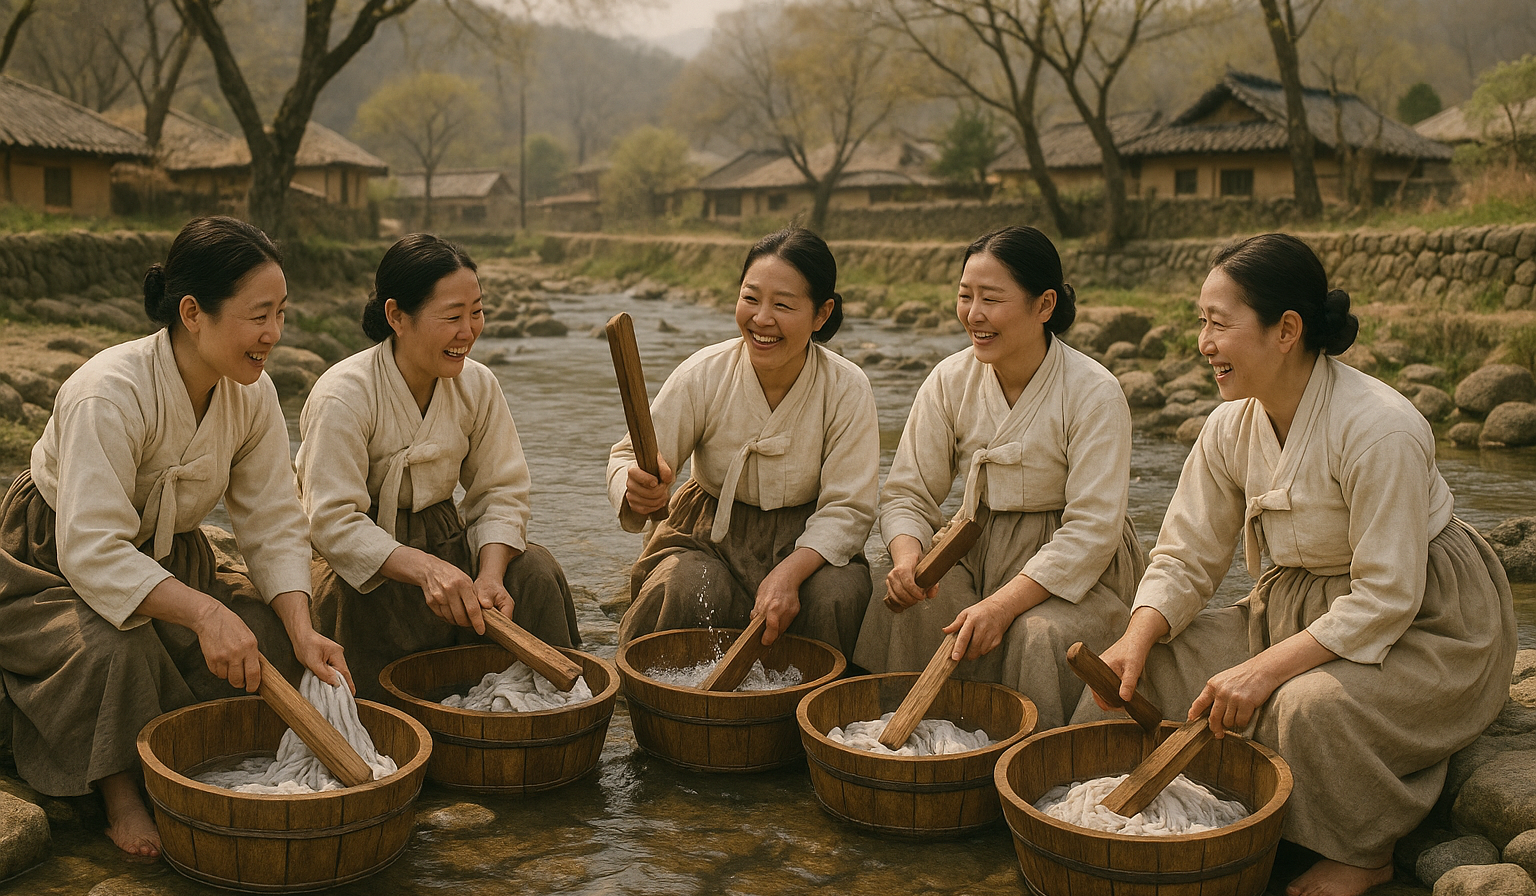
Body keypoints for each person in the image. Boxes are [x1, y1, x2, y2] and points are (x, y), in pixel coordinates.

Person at [1083, 233, 1516, 896]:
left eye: (1219, 324)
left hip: (1427, 625)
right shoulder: (1230, 427)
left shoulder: (1380, 428)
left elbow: (1386, 598)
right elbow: (1186, 554)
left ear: (1287, 330)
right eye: (1202, 321)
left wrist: (1263, 669)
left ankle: (1363, 851)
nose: (1204, 342)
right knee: (1154, 669)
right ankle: (1137, 815)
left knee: (1305, 706)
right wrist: (1135, 642)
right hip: (1297, 607)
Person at [0, 216, 349, 857]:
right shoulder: (107, 393)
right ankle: (118, 790)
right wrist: (204, 612)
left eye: (281, 314)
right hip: (53, 557)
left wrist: (300, 626)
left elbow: (272, 521)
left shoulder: (254, 393)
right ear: (193, 312)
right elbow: (93, 549)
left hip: (171, 558)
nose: (274, 334)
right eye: (259, 316)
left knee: (270, 638)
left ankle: (213, 757)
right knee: (115, 648)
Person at [853, 225, 1145, 728]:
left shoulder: (1094, 391)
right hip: (973, 542)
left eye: (991, 299)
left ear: (1044, 305)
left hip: (1074, 568)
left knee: (1038, 634)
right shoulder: (949, 379)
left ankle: (1028, 765)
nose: (974, 314)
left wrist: (1003, 605)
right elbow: (908, 493)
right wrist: (908, 561)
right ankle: (909, 751)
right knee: (904, 604)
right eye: (966, 296)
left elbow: (1092, 530)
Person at [296, 234, 578, 701]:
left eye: (477, 312)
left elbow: (500, 492)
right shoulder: (342, 395)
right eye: (452, 316)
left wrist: (488, 576)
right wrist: (425, 570)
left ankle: (550, 711)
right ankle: (388, 724)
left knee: (536, 573)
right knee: (367, 605)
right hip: (366, 557)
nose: (468, 330)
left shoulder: (478, 385)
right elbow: (331, 521)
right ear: (396, 317)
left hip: (448, 537)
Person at [609, 226, 878, 655]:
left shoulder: (846, 388)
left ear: (821, 314)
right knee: (691, 587)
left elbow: (849, 507)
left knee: (835, 595)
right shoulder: (704, 372)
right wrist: (635, 483)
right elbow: (631, 455)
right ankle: (661, 705)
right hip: (706, 533)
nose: (761, 319)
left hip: (807, 537)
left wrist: (789, 573)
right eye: (750, 299)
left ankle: (814, 715)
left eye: (783, 305)